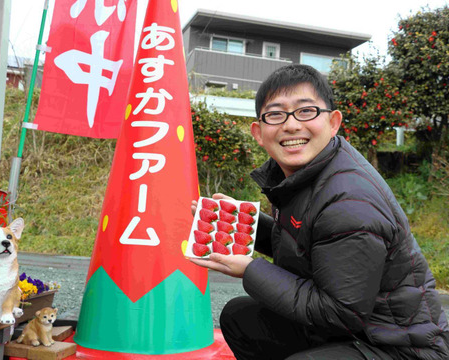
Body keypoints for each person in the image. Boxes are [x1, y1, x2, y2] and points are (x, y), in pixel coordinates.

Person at [190, 64, 449, 359]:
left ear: (334, 122)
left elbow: (340, 313)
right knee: (241, 317)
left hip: (402, 346)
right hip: (360, 329)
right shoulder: (303, 173)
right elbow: (308, 241)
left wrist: (250, 269)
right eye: (276, 114)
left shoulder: (350, 202)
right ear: (258, 132)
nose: (291, 125)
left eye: (306, 111)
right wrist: (239, 223)